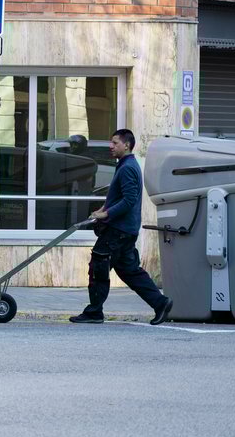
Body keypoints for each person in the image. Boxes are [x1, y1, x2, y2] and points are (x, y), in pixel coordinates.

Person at [70, 128, 174, 325]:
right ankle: (160, 303)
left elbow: (129, 200)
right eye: (111, 142)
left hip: (118, 231)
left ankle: (94, 312)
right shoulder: (126, 165)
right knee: (129, 271)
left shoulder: (127, 168)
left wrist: (105, 214)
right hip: (125, 230)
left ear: (127, 145)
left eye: (115, 143)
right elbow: (118, 196)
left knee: (99, 266)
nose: (111, 146)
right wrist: (102, 208)